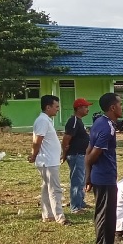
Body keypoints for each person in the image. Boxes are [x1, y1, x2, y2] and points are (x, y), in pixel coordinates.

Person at [86, 92, 123, 244]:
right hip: (104, 177)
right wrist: (89, 174)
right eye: (120, 104)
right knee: (107, 216)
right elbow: (92, 155)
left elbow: (88, 150)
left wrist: (88, 176)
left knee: (101, 213)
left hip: (99, 176)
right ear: (112, 107)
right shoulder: (107, 127)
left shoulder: (98, 123)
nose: (122, 107)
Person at [28, 95, 69, 225]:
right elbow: (37, 141)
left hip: (49, 160)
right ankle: (59, 217)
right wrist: (33, 155)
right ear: (48, 107)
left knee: (47, 188)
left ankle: (48, 215)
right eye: (56, 107)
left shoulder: (46, 120)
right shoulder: (43, 121)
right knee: (55, 189)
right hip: (47, 161)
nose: (58, 109)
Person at [61, 98, 92, 214]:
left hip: (81, 154)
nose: (87, 109)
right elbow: (66, 139)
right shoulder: (73, 121)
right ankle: (75, 207)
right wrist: (64, 154)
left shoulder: (79, 121)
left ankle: (80, 202)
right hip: (76, 155)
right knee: (77, 181)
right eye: (85, 107)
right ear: (79, 108)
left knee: (82, 180)